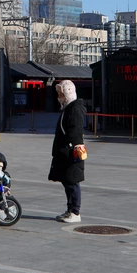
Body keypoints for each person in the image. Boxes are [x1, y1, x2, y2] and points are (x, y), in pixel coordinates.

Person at [48, 80, 86, 223]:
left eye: (61, 93)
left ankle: (75, 212)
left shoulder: (74, 109)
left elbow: (75, 132)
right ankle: (70, 209)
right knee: (67, 181)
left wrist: (70, 147)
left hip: (71, 152)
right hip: (65, 151)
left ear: (68, 93)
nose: (59, 96)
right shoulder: (68, 108)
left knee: (72, 181)